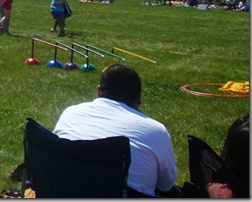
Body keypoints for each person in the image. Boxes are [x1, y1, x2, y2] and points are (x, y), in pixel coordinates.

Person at [53, 64, 178, 197]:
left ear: (98, 91)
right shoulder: (155, 131)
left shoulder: (70, 114)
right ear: (138, 99)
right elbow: (165, 185)